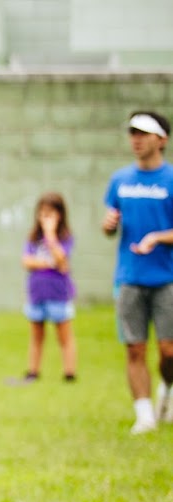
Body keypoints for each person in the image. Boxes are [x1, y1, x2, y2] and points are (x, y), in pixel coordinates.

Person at [102, 111, 173, 434]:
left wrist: (157, 237)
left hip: (167, 278)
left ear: (161, 140)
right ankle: (144, 415)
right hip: (129, 277)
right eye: (132, 133)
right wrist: (108, 225)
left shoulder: (170, 179)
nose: (136, 140)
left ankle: (166, 390)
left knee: (168, 351)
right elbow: (109, 224)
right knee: (135, 348)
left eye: (143, 134)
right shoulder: (120, 180)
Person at [18, 193, 77, 383]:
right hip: (37, 292)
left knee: (64, 335)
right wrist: (48, 263)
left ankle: (69, 373)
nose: (45, 218)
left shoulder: (65, 237)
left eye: (50, 214)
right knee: (36, 335)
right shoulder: (33, 238)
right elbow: (26, 261)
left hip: (58, 293)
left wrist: (51, 236)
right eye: (42, 213)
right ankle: (33, 371)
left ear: (60, 215)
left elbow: (61, 260)